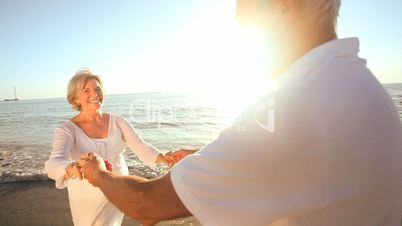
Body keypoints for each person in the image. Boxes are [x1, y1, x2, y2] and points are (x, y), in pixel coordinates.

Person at [80, 1, 402, 226]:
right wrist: (207, 156)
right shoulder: (365, 86)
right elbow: (302, 160)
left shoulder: (293, 107)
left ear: (283, 8)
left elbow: (146, 203)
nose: (239, 39)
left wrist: (98, 172)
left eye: (246, 23)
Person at [44, 69, 176, 226]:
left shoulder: (119, 122)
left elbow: (140, 146)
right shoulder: (67, 129)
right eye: (86, 90)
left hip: (118, 188)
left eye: (98, 89)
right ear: (76, 98)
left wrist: (162, 157)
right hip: (86, 194)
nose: (95, 94)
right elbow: (54, 163)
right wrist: (72, 168)